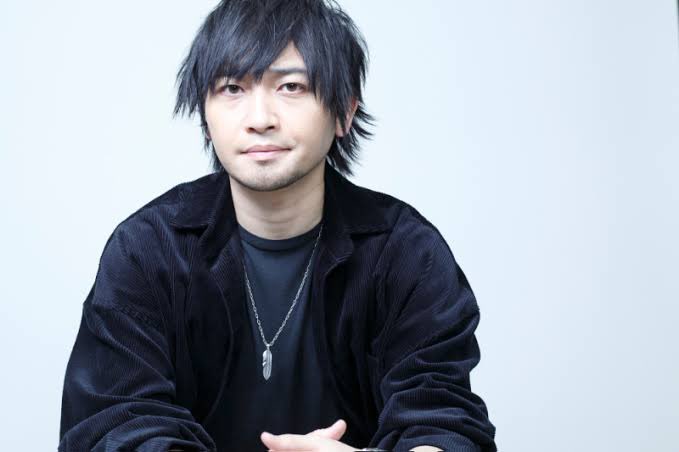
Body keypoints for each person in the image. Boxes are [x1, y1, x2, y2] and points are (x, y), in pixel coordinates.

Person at [58, 0, 497, 451]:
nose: (260, 119)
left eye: (290, 86)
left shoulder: (406, 254)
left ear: (345, 112)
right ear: (205, 117)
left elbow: (442, 421)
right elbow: (114, 424)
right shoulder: (147, 250)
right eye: (232, 88)